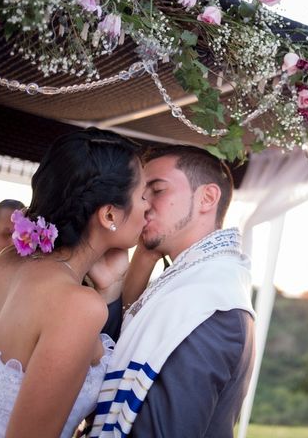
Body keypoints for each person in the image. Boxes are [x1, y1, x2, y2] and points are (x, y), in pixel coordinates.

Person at [0, 128, 149, 438]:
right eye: (143, 195)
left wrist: (108, 284)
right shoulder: (77, 305)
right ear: (109, 214)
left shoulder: (9, 260)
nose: (149, 207)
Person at [90, 145, 256, 438]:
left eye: (157, 190)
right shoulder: (191, 280)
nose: (142, 205)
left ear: (207, 197)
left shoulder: (210, 303)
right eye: (142, 194)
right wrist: (112, 289)